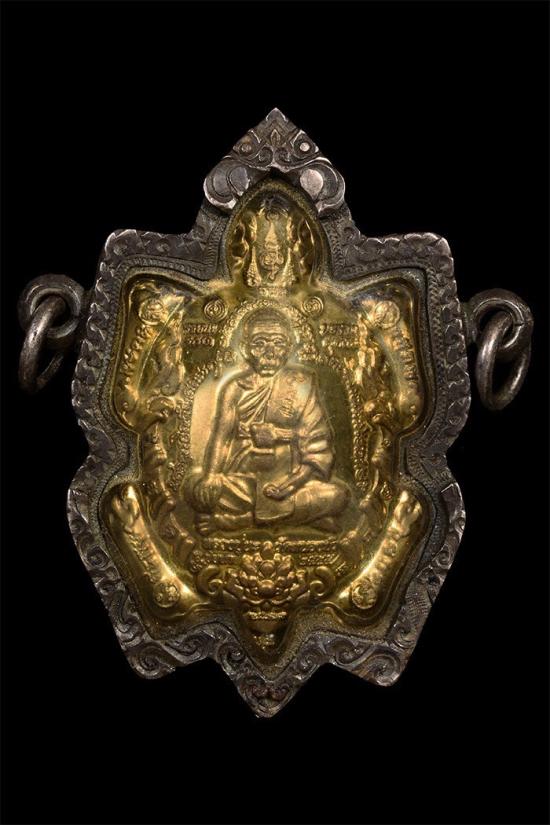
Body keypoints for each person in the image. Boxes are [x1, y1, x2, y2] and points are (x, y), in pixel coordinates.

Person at [185, 308, 349, 534]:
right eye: (260, 344)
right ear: (245, 348)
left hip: (288, 477)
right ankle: (298, 517)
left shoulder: (301, 383)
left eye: (278, 344)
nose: (270, 352)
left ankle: (237, 521)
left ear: (289, 348)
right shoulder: (235, 388)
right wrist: (212, 476)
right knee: (194, 490)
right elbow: (221, 437)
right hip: (243, 479)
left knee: (338, 495)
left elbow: (317, 442)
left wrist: (290, 483)